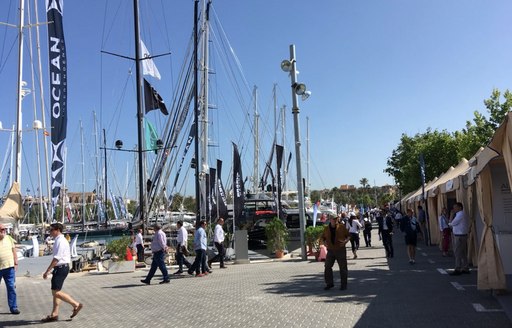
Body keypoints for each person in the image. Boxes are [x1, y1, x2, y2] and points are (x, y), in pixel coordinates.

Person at [41, 223, 83, 322]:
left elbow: (57, 258)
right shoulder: (59, 240)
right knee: (57, 291)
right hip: (60, 268)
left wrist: (47, 271)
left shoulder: (60, 241)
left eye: (51, 230)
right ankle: (54, 314)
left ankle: (76, 304)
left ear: (57, 230)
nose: (49, 232)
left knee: (56, 292)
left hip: (61, 268)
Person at [321, 214, 350, 291]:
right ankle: (329, 283)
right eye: (333, 219)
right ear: (330, 219)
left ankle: (344, 285)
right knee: (327, 266)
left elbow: (348, 236)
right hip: (330, 250)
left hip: (340, 249)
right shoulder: (326, 229)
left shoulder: (341, 227)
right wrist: (324, 243)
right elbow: (322, 237)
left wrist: (345, 242)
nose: (334, 220)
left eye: (336, 219)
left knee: (343, 268)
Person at [0, 224, 19, 315]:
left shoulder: (9, 238)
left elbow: (14, 251)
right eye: (1, 229)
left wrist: (16, 263)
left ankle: (13, 307)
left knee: (11, 287)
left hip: (9, 267)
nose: (3, 231)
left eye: (4, 229)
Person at [449, 202, 470, 275]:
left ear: (460, 208)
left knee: (457, 252)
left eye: (455, 207)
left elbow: (453, 223)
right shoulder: (460, 214)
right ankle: (465, 267)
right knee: (463, 252)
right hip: (461, 235)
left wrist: (451, 216)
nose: (454, 209)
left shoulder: (460, 214)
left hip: (459, 235)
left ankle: (458, 268)